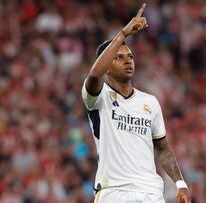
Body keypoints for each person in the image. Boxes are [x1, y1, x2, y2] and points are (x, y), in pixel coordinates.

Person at [81, 3, 189, 203]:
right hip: (113, 191)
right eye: (119, 57)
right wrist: (123, 33)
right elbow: (95, 74)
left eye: (130, 56)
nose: (128, 61)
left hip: (150, 191)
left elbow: (163, 148)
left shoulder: (150, 102)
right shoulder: (98, 97)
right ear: (106, 65)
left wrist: (180, 183)